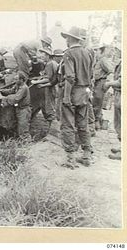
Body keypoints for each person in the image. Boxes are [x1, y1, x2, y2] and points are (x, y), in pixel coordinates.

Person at [60, 26, 93, 168]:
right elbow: (91, 76)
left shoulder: (69, 54)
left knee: (67, 124)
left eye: (67, 37)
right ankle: (86, 156)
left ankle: (70, 159)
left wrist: (66, 96)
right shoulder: (88, 53)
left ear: (71, 38)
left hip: (73, 92)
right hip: (84, 92)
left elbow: (70, 77)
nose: (66, 40)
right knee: (83, 124)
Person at [31, 47, 58, 134]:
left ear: (47, 55)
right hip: (52, 87)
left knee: (49, 108)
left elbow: (49, 79)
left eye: (43, 55)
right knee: (50, 107)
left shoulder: (50, 64)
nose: (42, 57)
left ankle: (52, 132)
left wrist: (36, 81)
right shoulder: (52, 63)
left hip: (50, 88)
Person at [0, 71, 31, 139]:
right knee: (18, 125)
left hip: (24, 110)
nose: (15, 81)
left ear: (21, 80)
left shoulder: (23, 88)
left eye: (16, 79)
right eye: (15, 79)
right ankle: (21, 139)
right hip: (19, 108)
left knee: (23, 127)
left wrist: (5, 98)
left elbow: (16, 99)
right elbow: (11, 91)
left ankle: (27, 142)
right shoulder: (18, 85)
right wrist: (0, 90)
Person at [104, 44, 121, 160]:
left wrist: (109, 83)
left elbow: (121, 82)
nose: (115, 52)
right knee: (119, 123)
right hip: (119, 94)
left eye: (117, 50)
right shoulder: (121, 62)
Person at [92, 44, 113, 130]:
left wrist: (107, 83)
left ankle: (96, 123)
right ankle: (98, 122)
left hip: (101, 82)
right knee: (96, 102)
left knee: (97, 101)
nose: (95, 53)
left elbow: (111, 71)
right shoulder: (98, 60)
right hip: (97, 82)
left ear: (101, 51)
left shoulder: (103, 60)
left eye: (96, 51)